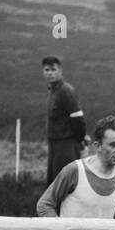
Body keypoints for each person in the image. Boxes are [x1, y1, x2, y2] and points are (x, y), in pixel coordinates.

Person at [43, 55, 87, 186]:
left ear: (60, 71)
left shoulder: (66, 91)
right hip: (54, 145)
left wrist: (78, 141)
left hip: (66, 145)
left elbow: (78, 120)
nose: (50, 73)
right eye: (46, 70)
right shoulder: (53, 91)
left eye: (53, 69)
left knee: (66, 184)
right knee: (54, 184)